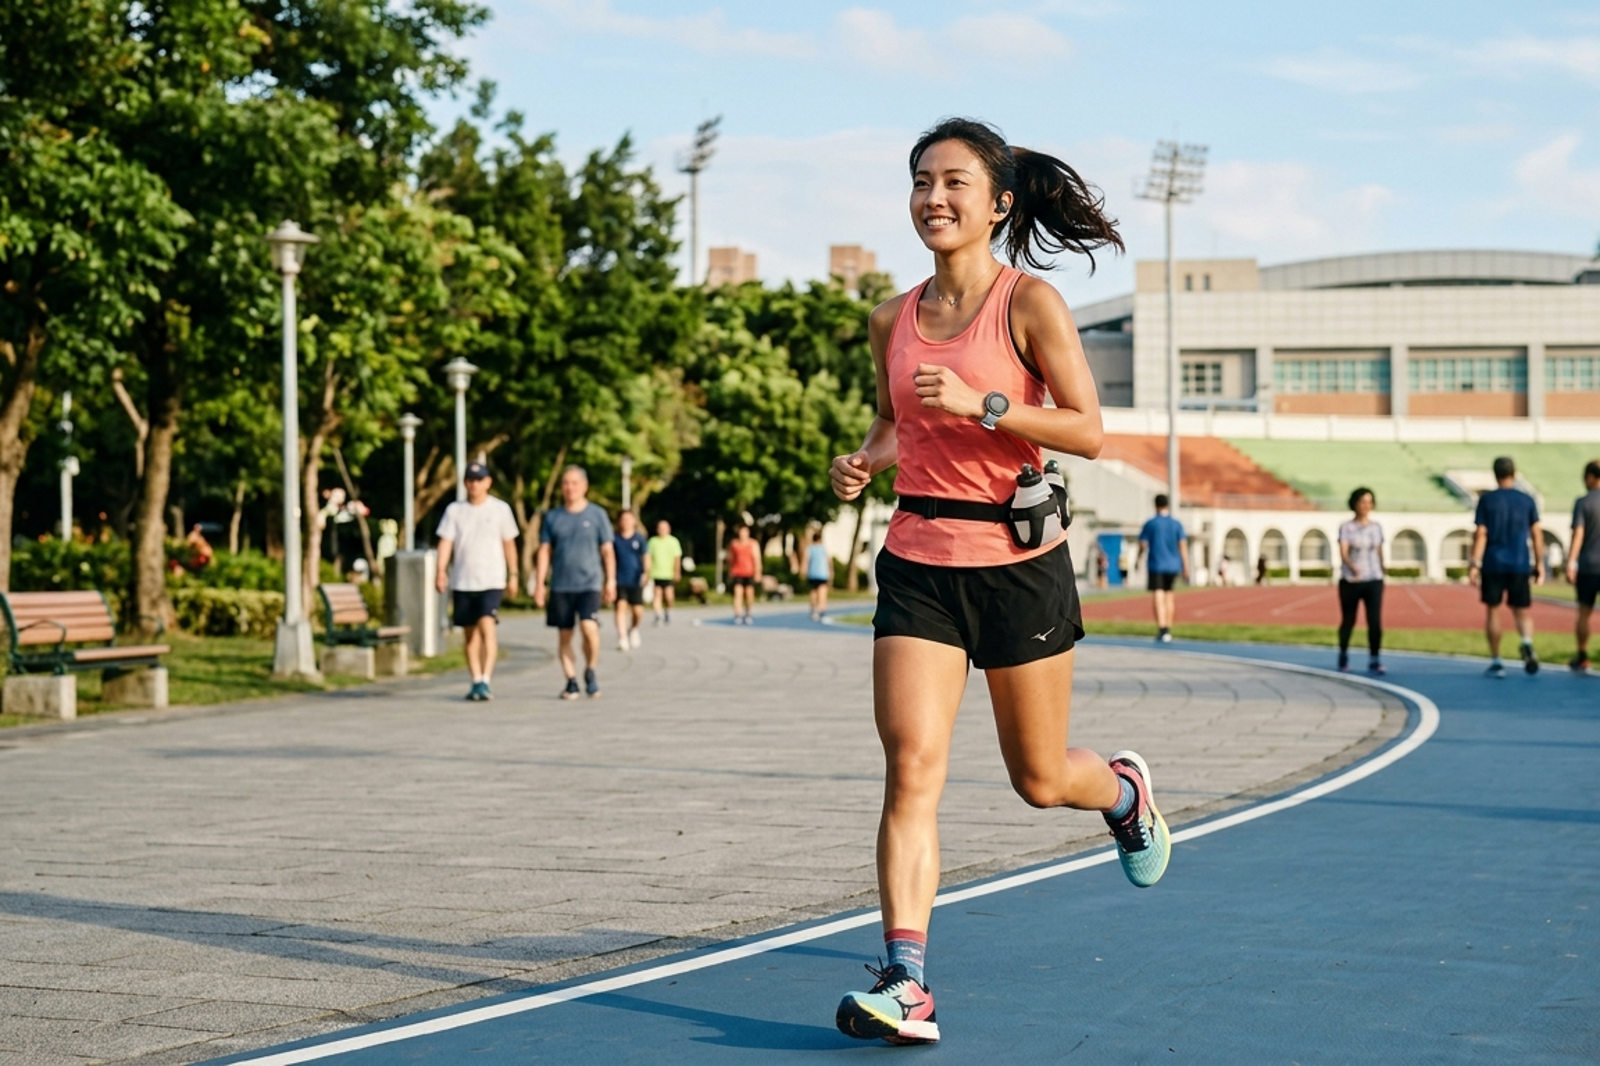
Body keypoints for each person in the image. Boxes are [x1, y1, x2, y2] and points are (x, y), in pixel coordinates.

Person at [827, 117, 1166, 1046]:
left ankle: (1125, 795)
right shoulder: (889, 318)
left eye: (954, 184)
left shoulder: (1031, 305)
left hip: (1018, 568)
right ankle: (908, 981)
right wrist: (863, 460)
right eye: (921, 182)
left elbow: (1088, 430)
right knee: (912, 770)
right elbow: (898, 421)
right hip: (920, 566)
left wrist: (991, 405)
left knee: (1041, 779)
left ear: (998, 203)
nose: (933, 199)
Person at [434, 462, 520, 701]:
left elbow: (509, 544)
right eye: (470, 480)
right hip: (463, 580)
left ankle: (486, 679)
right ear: (465, 483)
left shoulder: (500, 510)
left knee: (487, 626)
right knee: (470, 635)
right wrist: (440, 570)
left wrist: (513, 574)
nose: (474, 484)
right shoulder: (454, 511)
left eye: (479, 479)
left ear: (488, 482)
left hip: (492, 579)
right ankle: (475, 679)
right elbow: (445, 543)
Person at [532, 466, 616, 699]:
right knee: (565, 636)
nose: (570, 488)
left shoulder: (597, 515)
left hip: (589, 582)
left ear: (584, 486)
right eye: (566, 483)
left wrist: (611, 581)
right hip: (561, 585)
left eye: (574, 483)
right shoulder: (553, 517)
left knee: (589, 628)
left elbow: (607, 550)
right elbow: (544, 551)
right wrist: (540, 583)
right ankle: (571, 681)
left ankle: (590, 670)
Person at [1470, 456, 1544, 678]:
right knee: (1521, 610)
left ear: (1495, 474)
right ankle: (1527, 643)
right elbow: (1537, 533)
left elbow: (1481, 533)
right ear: (1514, 473)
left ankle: (1497, 661)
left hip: (1493, 562)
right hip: (1520, 562)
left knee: (1493, 610)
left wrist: (1474, 563)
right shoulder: (1527, 500)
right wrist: (1539, 562)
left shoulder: (1487, 500)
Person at [1337, 487, 1386, 675]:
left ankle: (1375, 659)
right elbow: (1343, 551)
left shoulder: (1376, 527)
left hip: (1373, 579)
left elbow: (1379, 550)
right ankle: (1343, 655)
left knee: (1374, 621)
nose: (1366, 506)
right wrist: (1352, 566)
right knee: (1348, 619)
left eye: (1369, 502)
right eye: (1362, 502)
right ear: (1354, 504)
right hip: (1351, 580)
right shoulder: (1346, 527)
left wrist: (1383, 567)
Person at [1136, 494, 1187, 643]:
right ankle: (1168, 628)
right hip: (1173, 564)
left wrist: (1138, 558)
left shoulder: (1151, 524)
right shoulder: (1176, 524)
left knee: (1158, 595)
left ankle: (1162, 628)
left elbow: (1143, 544)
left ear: (1155, 505)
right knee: (1169, 595)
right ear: (1168, 505)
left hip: (1157, 564)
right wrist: (1186, 566)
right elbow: (1182, 546)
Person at [1566, 460, 1600, 673]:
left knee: (1584, 613)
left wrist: (1571, 561)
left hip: (1589, 566)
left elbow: (1578, 533)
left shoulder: (1583, 502)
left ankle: (1582, 655)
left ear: (1589, 477)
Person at [612, 510, 648, 652]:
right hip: (619, 578)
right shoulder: (614, 539)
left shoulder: (639, 539)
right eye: (623, 519)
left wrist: (646, 573)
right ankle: (622, 637)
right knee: (620, 607)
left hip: (635, 578)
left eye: (629, 519)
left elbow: (646, 557)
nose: (626, 522)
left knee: (637, 611)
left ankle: (633, 629)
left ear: (634, 521)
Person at [647, 520, 683, 625]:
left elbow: (677, 558)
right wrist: (647, 571)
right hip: (656, 573)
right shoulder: (652, 541)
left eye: (664, 528)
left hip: (668, 573)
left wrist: (677, 572)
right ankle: (658, 615)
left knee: (669, 596)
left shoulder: (673, 541)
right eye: (660, 528)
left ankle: (668, 611)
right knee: (657, 594)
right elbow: (648, 557)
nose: (662, 530)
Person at [727, 524, 761, 625]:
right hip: (738, 572)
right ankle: (738, 614)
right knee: (738, 593)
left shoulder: (753, 544)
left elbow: (757, 559)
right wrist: (730, 571)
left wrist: (758, 572)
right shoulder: (734, 544)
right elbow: (731, 559)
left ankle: (749, 612)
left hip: (749, 572)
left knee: (749, 593)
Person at [805, 531, 832, 621]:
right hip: (822, 573)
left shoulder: (810, 549)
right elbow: (829, 561)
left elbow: (806, 560)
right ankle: (822, 611)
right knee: (822, 593)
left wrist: (804, 571)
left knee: (813, 593)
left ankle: (814, 611)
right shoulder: (823, 548)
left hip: (812, 573)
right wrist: (831, 572)